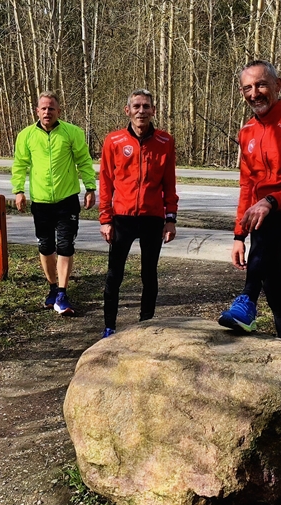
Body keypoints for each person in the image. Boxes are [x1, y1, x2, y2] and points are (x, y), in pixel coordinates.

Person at [217, 60, 281, 342]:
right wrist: (239, 235)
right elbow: (247, 187)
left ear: (278, 85)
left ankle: (247, 299)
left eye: (261, 84)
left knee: (267, 222)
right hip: (266, 221)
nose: (254, 93)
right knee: (274, 283)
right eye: (247, 88)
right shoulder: (247, 131)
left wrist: (270, 202)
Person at [97, 89, 179, 339]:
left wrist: (171, 219)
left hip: (152, 218)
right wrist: (105, 219)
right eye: (136, 106)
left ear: (153, 111)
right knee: (115, 274)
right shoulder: (114, 141)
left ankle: (146, 323)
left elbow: (169, 183)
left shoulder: (165, 142)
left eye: (146, 106)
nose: (141, 111)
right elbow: (106, 182)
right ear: (128, 110)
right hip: (122, 218)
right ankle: (109, 326)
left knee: (149, 274)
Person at [11, 91, 96, 316]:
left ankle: (62, 292)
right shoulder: (26, 135)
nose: (47, 112)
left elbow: (84, 161)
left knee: (65, 246)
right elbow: (19, 164)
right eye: (43, 108)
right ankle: (51, 287)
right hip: (40, 202)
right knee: (45, 246)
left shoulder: (72, 133)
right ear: (37, 111)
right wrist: (18, 190)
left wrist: (90, 187)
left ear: (59, 111)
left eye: (51, 108)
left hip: (67, 200)